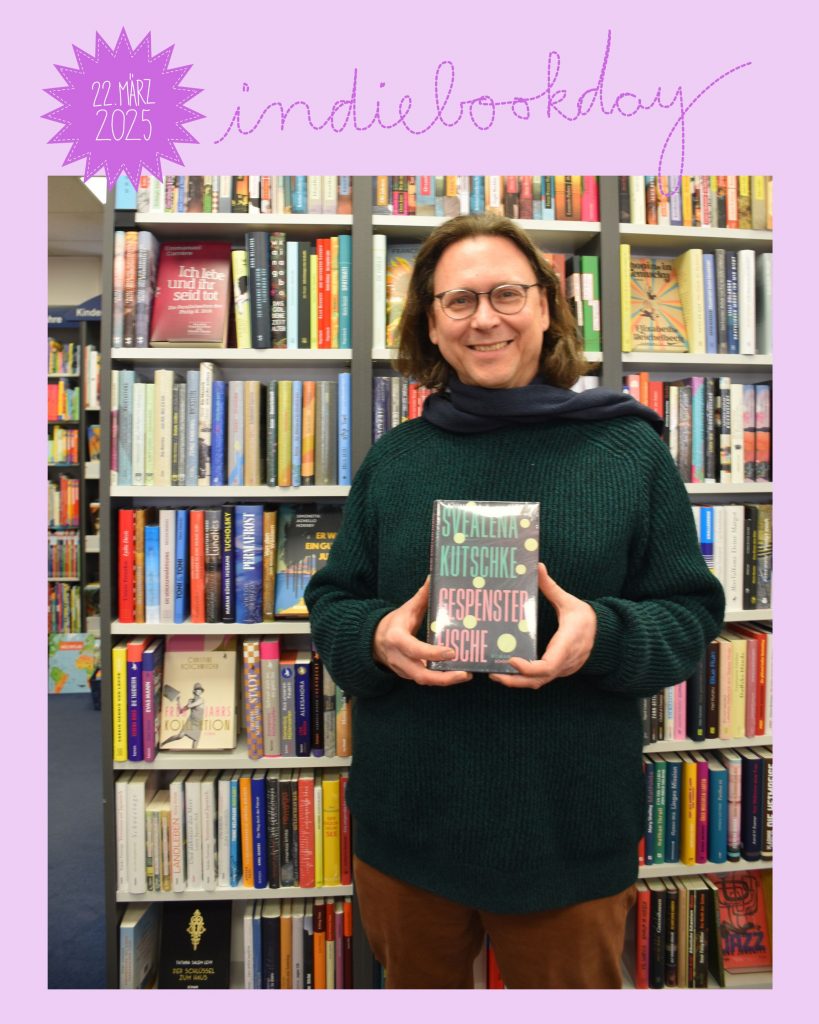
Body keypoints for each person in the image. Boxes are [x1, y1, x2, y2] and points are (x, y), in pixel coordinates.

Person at [305, 213, 725, 989]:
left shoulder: (628, 451)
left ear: (546, 306)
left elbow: (689, 615)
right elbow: (332, 600)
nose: (484, 319)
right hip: (408, 827)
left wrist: (600, 634)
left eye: (505, 293)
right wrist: (373, 638)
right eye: (458, 300)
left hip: (566, 833)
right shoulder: (395, 459)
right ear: (430, 323)